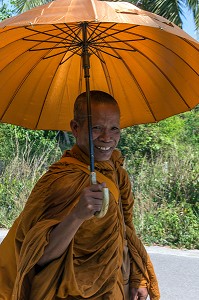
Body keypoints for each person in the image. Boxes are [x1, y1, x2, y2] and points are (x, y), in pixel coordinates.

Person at [0, 91, 160, 300]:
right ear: (75, 128)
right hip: (71, 292)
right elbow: (39, 257)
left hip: (117, 286)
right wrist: (76, 215)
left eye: (114, 128)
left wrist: (139, 277)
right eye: (96, 128)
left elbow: (126, 229)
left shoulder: (116, 171)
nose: (106, 137)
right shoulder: (60, 180)